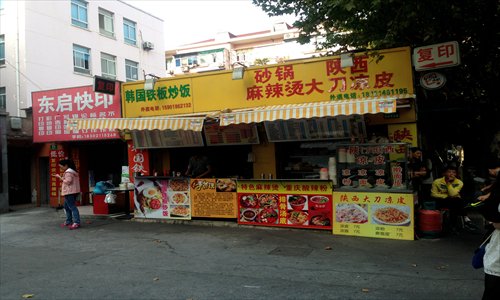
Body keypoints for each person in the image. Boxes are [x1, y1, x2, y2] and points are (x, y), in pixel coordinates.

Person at [430, 164, 476, 231]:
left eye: (453, 172)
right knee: (457, 201)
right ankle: (465, 218)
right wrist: (445, 196)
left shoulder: (459, 182)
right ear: (444, 173)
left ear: (456, 174)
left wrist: (448, 183)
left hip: (454, 202)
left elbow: (453, 194)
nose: (451, 174)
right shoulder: (437, 181)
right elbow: (433, 194)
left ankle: (452, 226)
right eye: (449, 172)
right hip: (442, 201)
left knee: (455, 202)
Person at [52, 159, 81, 230]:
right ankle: (69, 221)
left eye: (61, 166)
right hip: (72, 191)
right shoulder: (72, 171)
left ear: (66, 165)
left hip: (69, 192)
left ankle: (76, 222)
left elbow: (68, 182)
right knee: (66, 206)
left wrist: (60, 177)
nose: (61, 168)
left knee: (72, 207)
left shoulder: (68, 172)